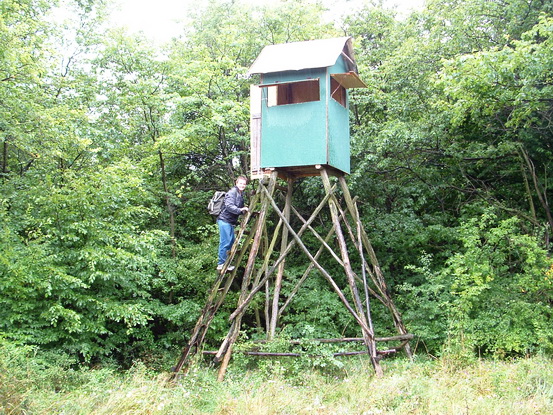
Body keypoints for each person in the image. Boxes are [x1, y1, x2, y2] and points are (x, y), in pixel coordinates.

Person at [217, 176, 249, 271]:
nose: (242, 185)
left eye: (244, 184)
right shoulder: (232, 193)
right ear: (236, 183)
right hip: (224, 220)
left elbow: (239, 208)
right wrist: (240, 210)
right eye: (240, 183)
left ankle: (226, 264)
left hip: (230, 222)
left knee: (231, 241)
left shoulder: (240, 194)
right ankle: (221, 263)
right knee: (225, 241)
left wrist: (244, 210)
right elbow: (229, 206)